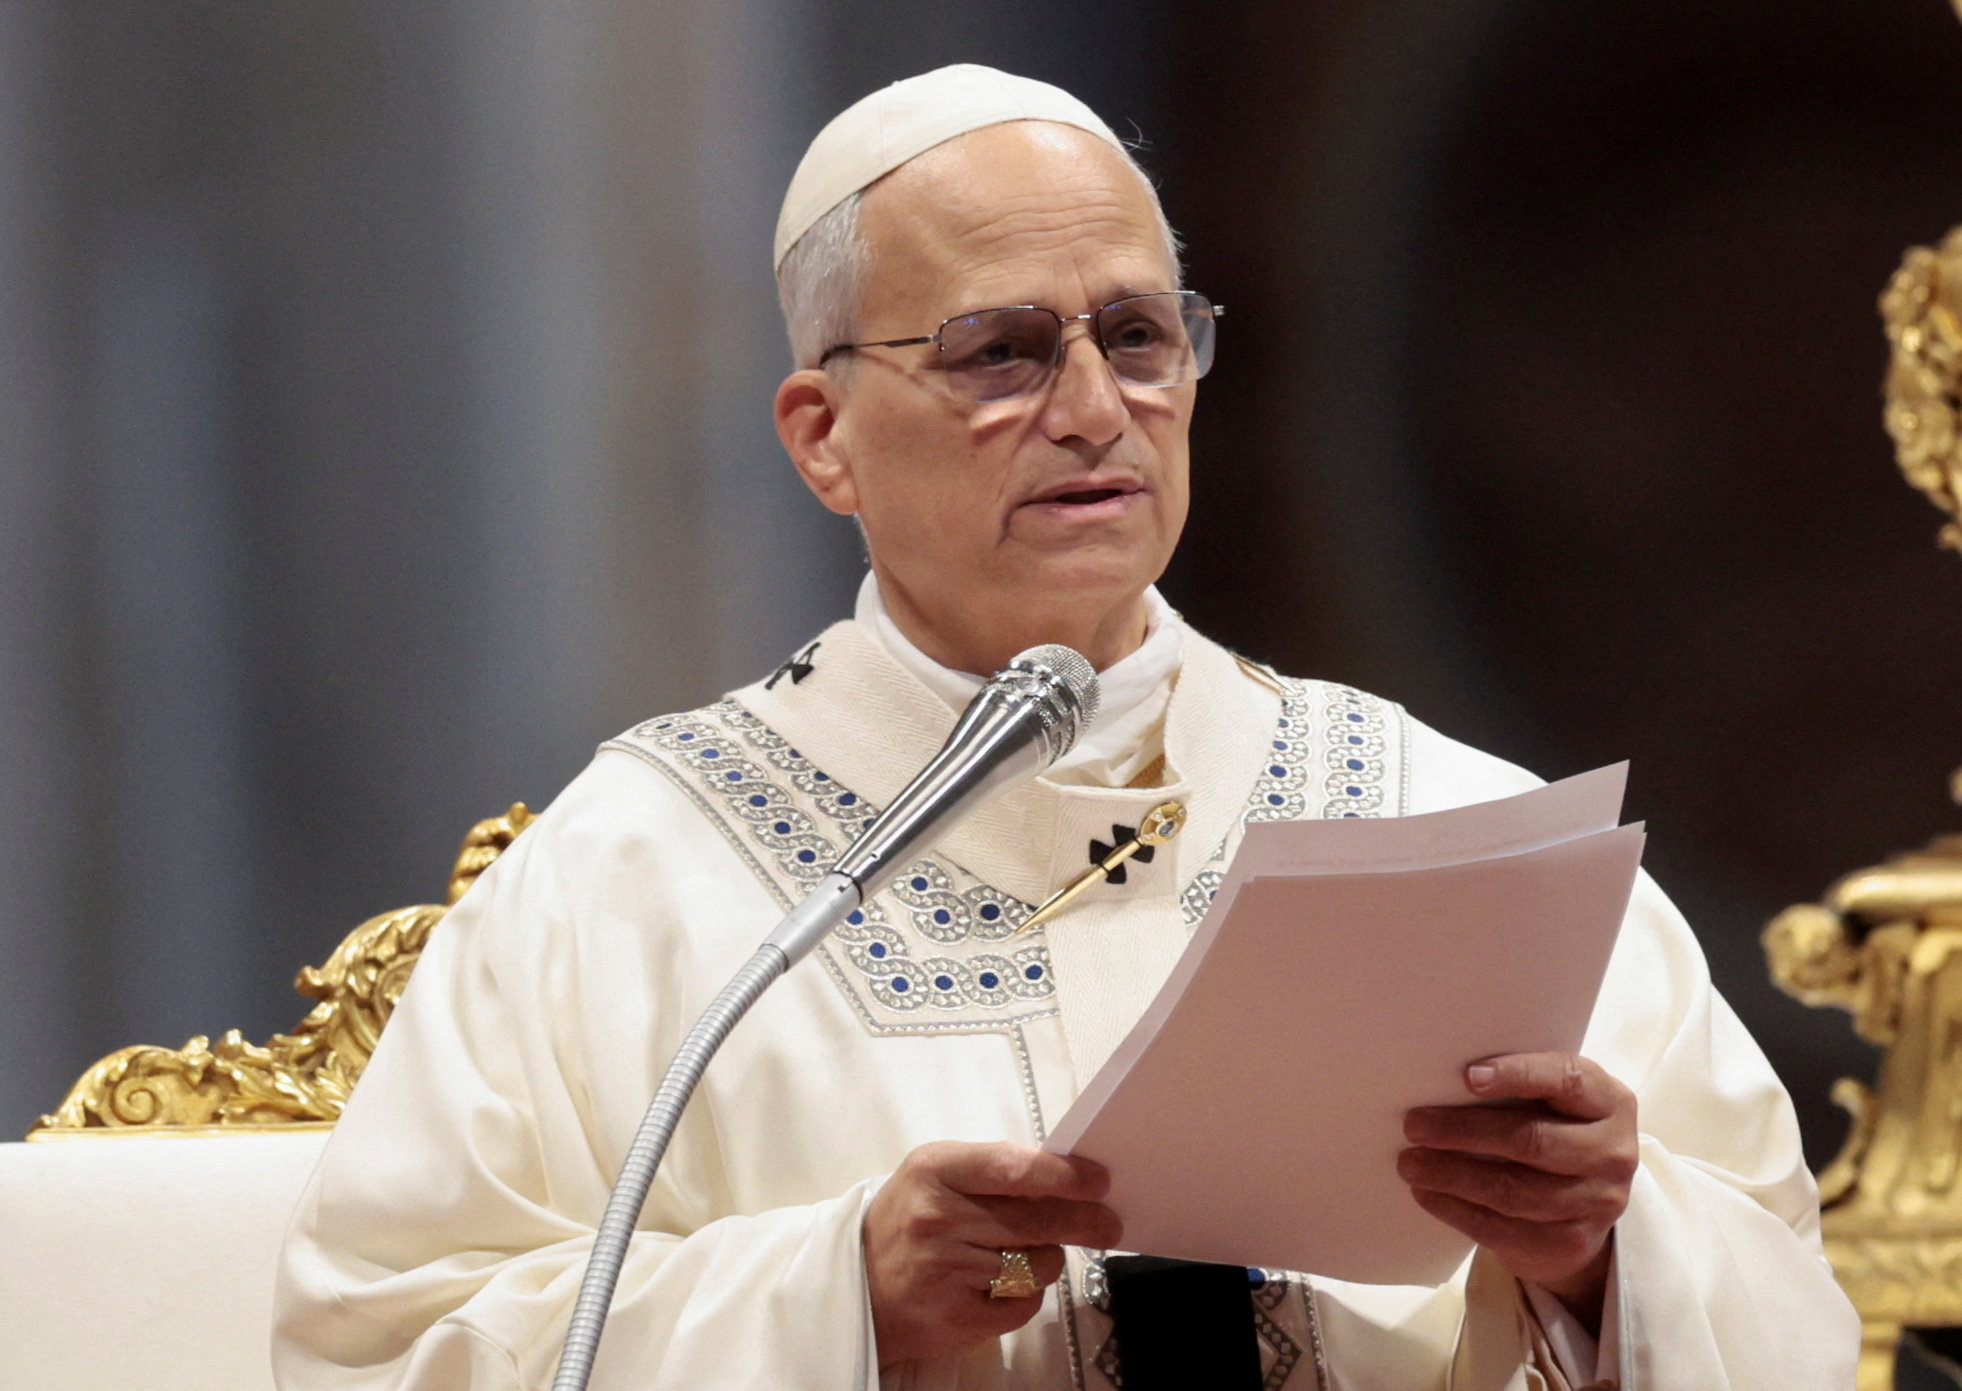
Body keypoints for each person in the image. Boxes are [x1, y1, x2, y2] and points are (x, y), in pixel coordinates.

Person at [273, 64, 1860, 1390]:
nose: (1097, 408)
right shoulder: (634, 879)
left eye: (1141, 335)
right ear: (823, 437)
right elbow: (379, 1351)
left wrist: (1595, 1252)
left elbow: (1788, 1303)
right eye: (1002, 352)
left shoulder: (1446, 826)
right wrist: (839, 1301)